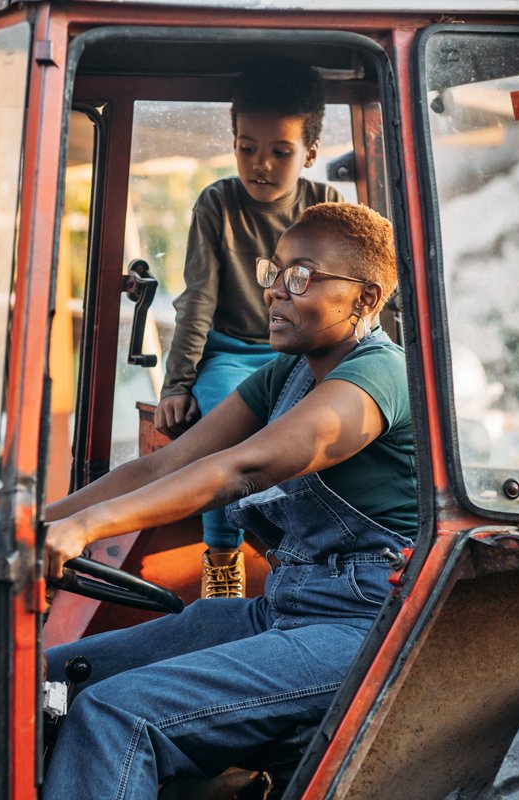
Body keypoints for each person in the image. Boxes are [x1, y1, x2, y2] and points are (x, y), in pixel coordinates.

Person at [42, 202, 416, 799]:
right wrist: (36, 523)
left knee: (118, 713)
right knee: (50, 678)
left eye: (302, 278)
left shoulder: (382, 377)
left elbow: (244, 467)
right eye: (275, 273)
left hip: (363, 627)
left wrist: (87, 527)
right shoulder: (288, 373)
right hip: (285, 610)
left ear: (367, 299)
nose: (276, 293)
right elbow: (164, 463)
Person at [154, 58, 344, 598]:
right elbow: (198, 300)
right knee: (220, 430)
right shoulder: (217, 203)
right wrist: (177, 384)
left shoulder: (326, 207)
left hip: (304, 355)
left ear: (308, 153)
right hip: (232, 355)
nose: (260, 164)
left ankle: (306, 561)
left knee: (319, 436)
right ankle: (223, 562)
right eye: (247, 147)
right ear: (233, 140)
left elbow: (350, 296)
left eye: (280, 152)